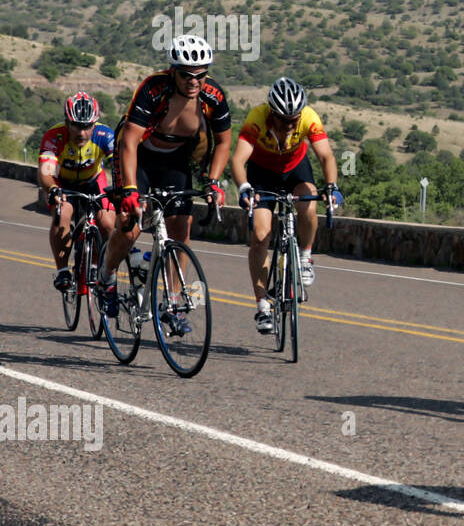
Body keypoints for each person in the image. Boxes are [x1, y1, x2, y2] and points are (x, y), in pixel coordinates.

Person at [100, 35, 231, 333]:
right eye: (187, 74)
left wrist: (213, 182)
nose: (194, 81)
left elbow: (224, 142)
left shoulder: (213, 96)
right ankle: (106, 276)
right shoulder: (154, 88)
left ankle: (171, 302)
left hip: (175, 158)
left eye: (201, 74)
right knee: (130, 226)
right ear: (173, 70)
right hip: (139, 155)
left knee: (181, 230)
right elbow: (130, 141)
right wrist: (131, 191)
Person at [229, 77, 342, 334]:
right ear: (272, 112)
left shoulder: (309, 117)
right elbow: (238, 159)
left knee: (310, 204)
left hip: (296, 171)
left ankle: (304, 257)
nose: (290, 124)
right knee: (260, 236)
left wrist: (332, 185)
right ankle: (262, 306)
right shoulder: (257, 117)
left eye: (295, 119)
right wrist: (244, 187)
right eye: (284, 119)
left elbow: (325, 155)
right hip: (262, 174)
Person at [38, 93, 117, 290]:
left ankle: (95, 265)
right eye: (76, 126)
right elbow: (46, 173)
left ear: (95, 124)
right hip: (63, 183)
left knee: (107, 223)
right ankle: (63, 270)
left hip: (93, 181)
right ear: (67, 122)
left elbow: (119, 166)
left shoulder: (105, 135)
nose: (82, 133)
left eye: (87, 126)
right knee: (62, 213)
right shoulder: (53, 136)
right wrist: (53, 189)